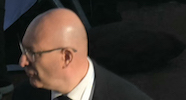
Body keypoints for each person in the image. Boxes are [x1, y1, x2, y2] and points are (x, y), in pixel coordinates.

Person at [18, 9, 152, 100]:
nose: (22, 61)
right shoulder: (26, 94)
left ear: (66, 57)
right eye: (23, 50)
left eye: (33, 53)